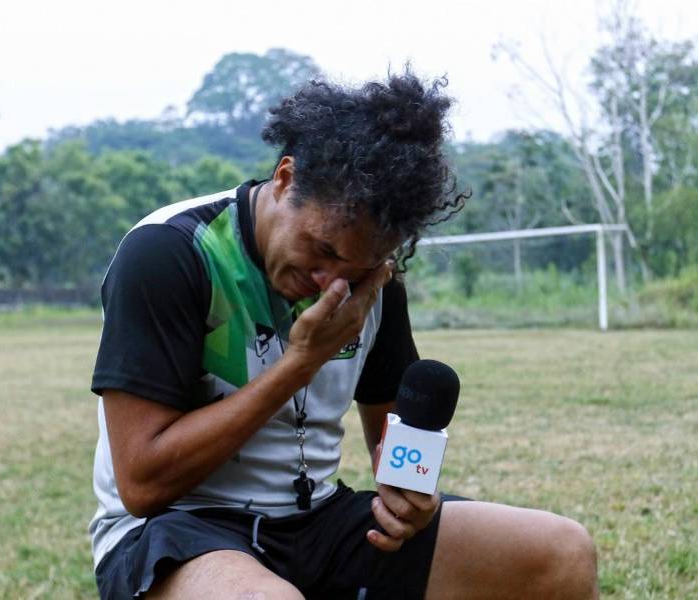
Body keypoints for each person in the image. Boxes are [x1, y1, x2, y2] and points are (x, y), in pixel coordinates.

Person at [89, 69, 598, 599]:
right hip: (174, 533)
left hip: (318, 521)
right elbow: (142, 485)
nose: (331, 282)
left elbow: (392, 432)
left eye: (357, 268)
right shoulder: (170, 253)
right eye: (324, 250)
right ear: (285, 179)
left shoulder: (372, 281)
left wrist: (411, 493)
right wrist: (300, 364)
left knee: (560, 553)